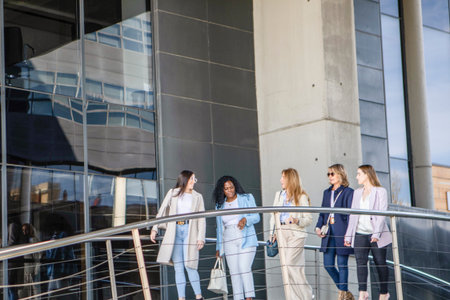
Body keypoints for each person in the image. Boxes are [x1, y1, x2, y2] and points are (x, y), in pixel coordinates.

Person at [150, 170, 206, 300]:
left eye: (194, 179)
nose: (193, 182)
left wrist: (201, 237)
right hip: (174, 231)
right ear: (185, 179)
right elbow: (162, 210)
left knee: (190, 264)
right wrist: (154, 229)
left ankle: (199, 296)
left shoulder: (198, 197)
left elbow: (202, 219)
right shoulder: (173, 193)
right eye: (191, 179)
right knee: (179, 267)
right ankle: (181, 298)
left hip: (190, 231)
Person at [344, 165, 392, 300]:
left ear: (367, 174)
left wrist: (376, 234)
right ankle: (362, 292)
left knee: (380, 262)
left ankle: (384, 293)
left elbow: (382, 214)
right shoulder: (357, 192)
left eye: (359, 174)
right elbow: (353, 215)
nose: (356, 177)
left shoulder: (380, 191)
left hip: (376, 233)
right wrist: (349, 235)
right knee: (360, 262)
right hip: (360, 232)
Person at [214, 176, 260, 300]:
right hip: (228, 238)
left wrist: (246, 219)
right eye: (226, 188)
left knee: (244, 267)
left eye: (231, 187)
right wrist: (219, 247)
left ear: (235, 186)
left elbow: (256, 217)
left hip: (245, 237)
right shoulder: (219, 205)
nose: (229, 190)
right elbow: (219, 229)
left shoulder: (247, 198)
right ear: (222, 190)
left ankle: (249, 297)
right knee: (234, 273)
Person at [269, 168, 313, 300]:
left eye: (283, 177)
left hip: (296, 233)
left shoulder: (301, 196)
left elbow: (309, 219)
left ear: (290, 179)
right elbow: (273, 215)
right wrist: (272, 233)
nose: (281, 180)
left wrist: (296, 220)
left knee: (289, 264)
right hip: (281, 233)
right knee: (288, 268)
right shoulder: (278, 195)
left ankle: (306, 295)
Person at [315, 164, 355, 300]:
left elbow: (351, 215)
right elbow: (322, 213)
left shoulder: (348, 192)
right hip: (328, 233)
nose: (330, 177)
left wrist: (349, 234)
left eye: (332, 174)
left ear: (340, 174)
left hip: (342, 232)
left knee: (342, 264)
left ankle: (342, 295)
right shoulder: (326, 192)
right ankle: (345, 291)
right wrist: (318, 227)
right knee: (328, 265)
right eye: (328, 174)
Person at [21, 223, 42, 299]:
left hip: (33, 270)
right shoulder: (25, 241)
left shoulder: (33, 240)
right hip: (27, 270)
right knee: (29, 291)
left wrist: (36, 269)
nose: (24, 232)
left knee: (35, 290)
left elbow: (37, 257)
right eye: (23, 230)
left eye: (26, 230)